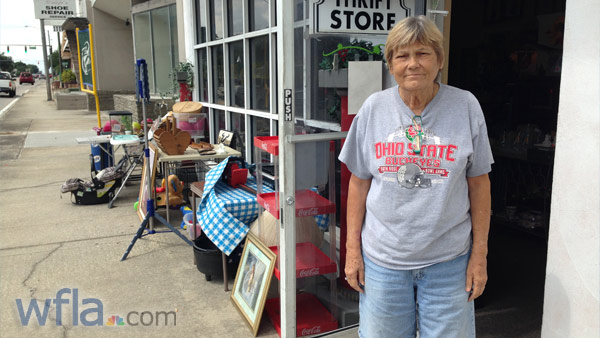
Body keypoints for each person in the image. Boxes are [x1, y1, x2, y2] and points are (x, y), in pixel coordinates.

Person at [338, 15, 493, 338]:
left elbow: (479, 184)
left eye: (422, 53)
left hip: (449, 263)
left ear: (439, 60)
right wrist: (352, 251)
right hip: (383, 263)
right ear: (391, 64)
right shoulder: (373, 109)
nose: (412, 64)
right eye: (402, 55)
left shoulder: (465, 106)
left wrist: (480, 255)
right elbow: (358, 182)